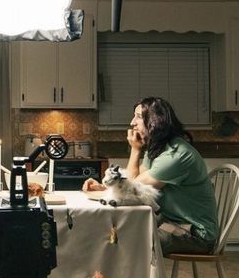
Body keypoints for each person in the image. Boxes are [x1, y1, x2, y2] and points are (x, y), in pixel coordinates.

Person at [83, 97, 218, 256]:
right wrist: (105, 186)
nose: (132, 122)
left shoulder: (176, 155)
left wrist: (135, 149)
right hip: (171, 223)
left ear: (155, 121)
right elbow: (135, 180)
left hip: (195, 234)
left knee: (124, 239)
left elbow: (132, 189)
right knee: (115, 230)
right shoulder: (159, 148)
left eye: (139, 116)